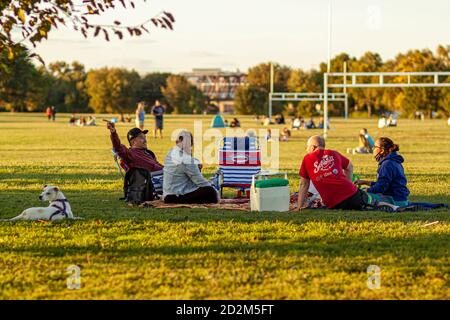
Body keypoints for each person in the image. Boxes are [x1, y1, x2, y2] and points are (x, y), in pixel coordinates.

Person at [297, 135, 400, 211]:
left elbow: (303, 184)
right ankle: (396, 205)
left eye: (307, 147)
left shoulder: (306, 159)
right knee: (372, 202)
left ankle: (396, 205)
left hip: (333, 204)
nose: (306, 149)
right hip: (352, 196)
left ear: (313, 147)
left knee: (374, 200)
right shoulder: (333, 153)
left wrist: (299, 206)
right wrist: (348, 184)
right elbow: (349, 167)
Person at [163, 130, 219, 204]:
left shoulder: (170, 152)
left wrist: (195, 163)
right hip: (177, 196)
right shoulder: (187, 160)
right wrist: (216, 192)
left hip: (167, 194)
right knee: (209, 190)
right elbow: (200, 182)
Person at [355, 137, 410, 206]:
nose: (372, 149)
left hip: (394, 200)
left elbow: (381, 187)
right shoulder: (394, 161)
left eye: (375, 147)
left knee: (360, 196)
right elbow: (385, 183)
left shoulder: (387, 164)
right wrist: (365, 182)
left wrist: (367, 191)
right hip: (402, 200)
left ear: (382, 151)